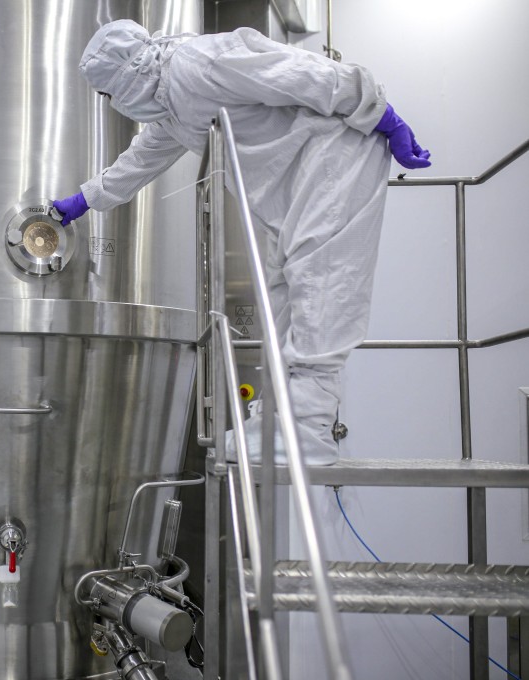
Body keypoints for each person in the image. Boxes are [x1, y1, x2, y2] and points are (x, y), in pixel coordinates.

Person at [53, 21, 430, 466]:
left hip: (334, 155)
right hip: (292, 183)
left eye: (107, 93)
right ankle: (278, 419)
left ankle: (308, 428)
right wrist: (85, 199)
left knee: (322, 286)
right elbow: (142, 158)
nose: (111, 102)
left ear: (124, 76)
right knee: (285, 295)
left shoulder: (196, 64)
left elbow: (300, 71)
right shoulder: (169, 105)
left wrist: (379, 112)